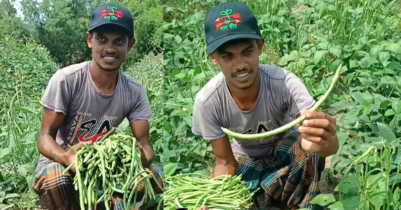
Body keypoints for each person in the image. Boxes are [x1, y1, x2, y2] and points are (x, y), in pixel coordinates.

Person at [192, 2, 338, 210]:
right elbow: (225, 162)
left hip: (282, 149)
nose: (240, 64)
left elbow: (323, 145)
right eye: (228, 56)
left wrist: (327, 143)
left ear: (259, 46)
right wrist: (214, 197)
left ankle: (302, 203)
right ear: (213, 58)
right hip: (245, 157)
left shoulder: (285, 84)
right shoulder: (208, 101)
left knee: (308, 147)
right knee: (231, 199)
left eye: (246, 52)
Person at [32, 3, 163, 210]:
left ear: (129, 45)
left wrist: (140, 159)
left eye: (119, 41)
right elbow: (45, 137)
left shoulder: (135, 91)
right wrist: (67, 157)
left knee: (156, 176)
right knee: (55, 178)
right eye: (102, 39)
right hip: (64, 161)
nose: (110, 48)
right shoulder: (66, 80)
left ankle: (110, 202)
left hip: (106, 165)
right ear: (90, 40)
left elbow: (145, 144)